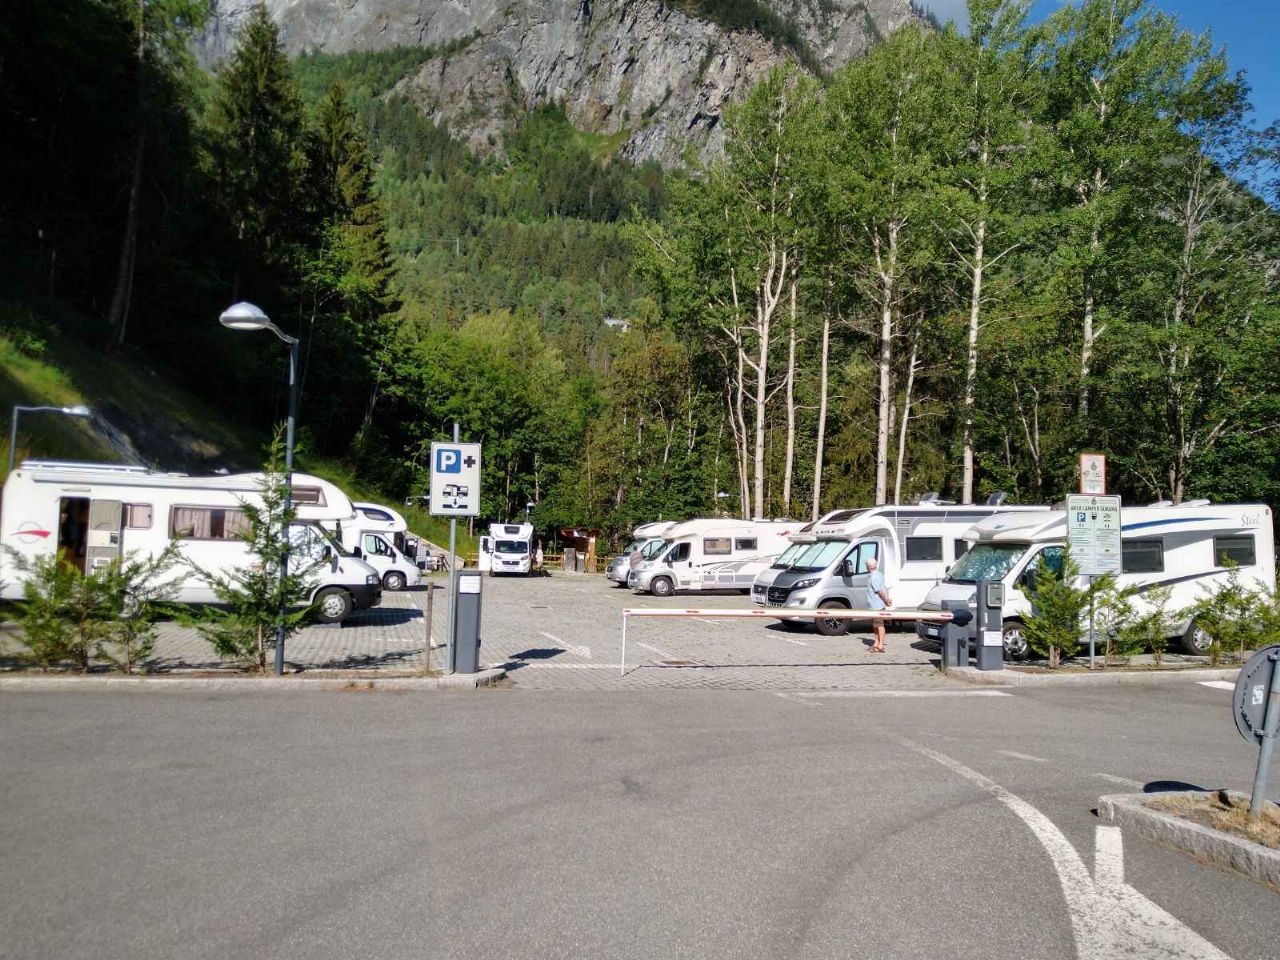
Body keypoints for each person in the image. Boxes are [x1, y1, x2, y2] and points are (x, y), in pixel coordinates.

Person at [865, 556, 892, 653]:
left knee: (879, 625)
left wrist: (886, 600)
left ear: (868, 566)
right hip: (874, 605)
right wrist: (887, 599)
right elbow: (884, 587)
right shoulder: (878, 574)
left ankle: (880, 645)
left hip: (877, 606)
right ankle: (876, 643)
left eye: (866, 565)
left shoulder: (874, 577)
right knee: (875, 625)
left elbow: (880, 591)